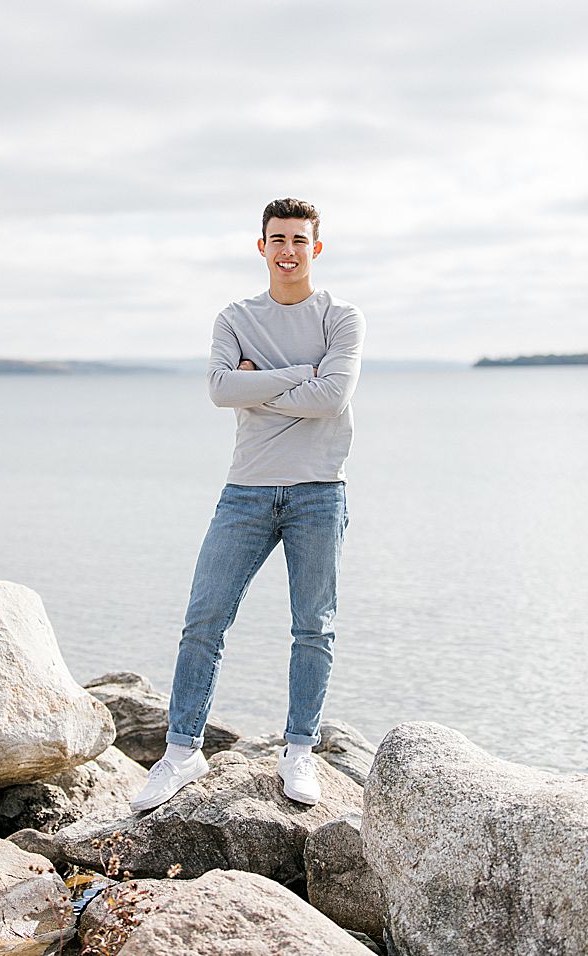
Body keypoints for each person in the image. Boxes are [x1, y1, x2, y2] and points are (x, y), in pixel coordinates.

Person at [131, 198, 365, 812]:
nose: (288, 250)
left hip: (319, 490)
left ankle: (299, 750)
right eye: (277, 239)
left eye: (299, 239)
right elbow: (218, 389)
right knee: (203, 621)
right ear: (260, 247)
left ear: (317, 247)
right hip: (247, 490)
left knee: (313, 628)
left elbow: (332, 397)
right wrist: (302, 376)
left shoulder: (342, 317)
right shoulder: (234, 317)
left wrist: (260, 383)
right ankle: (181, 751)